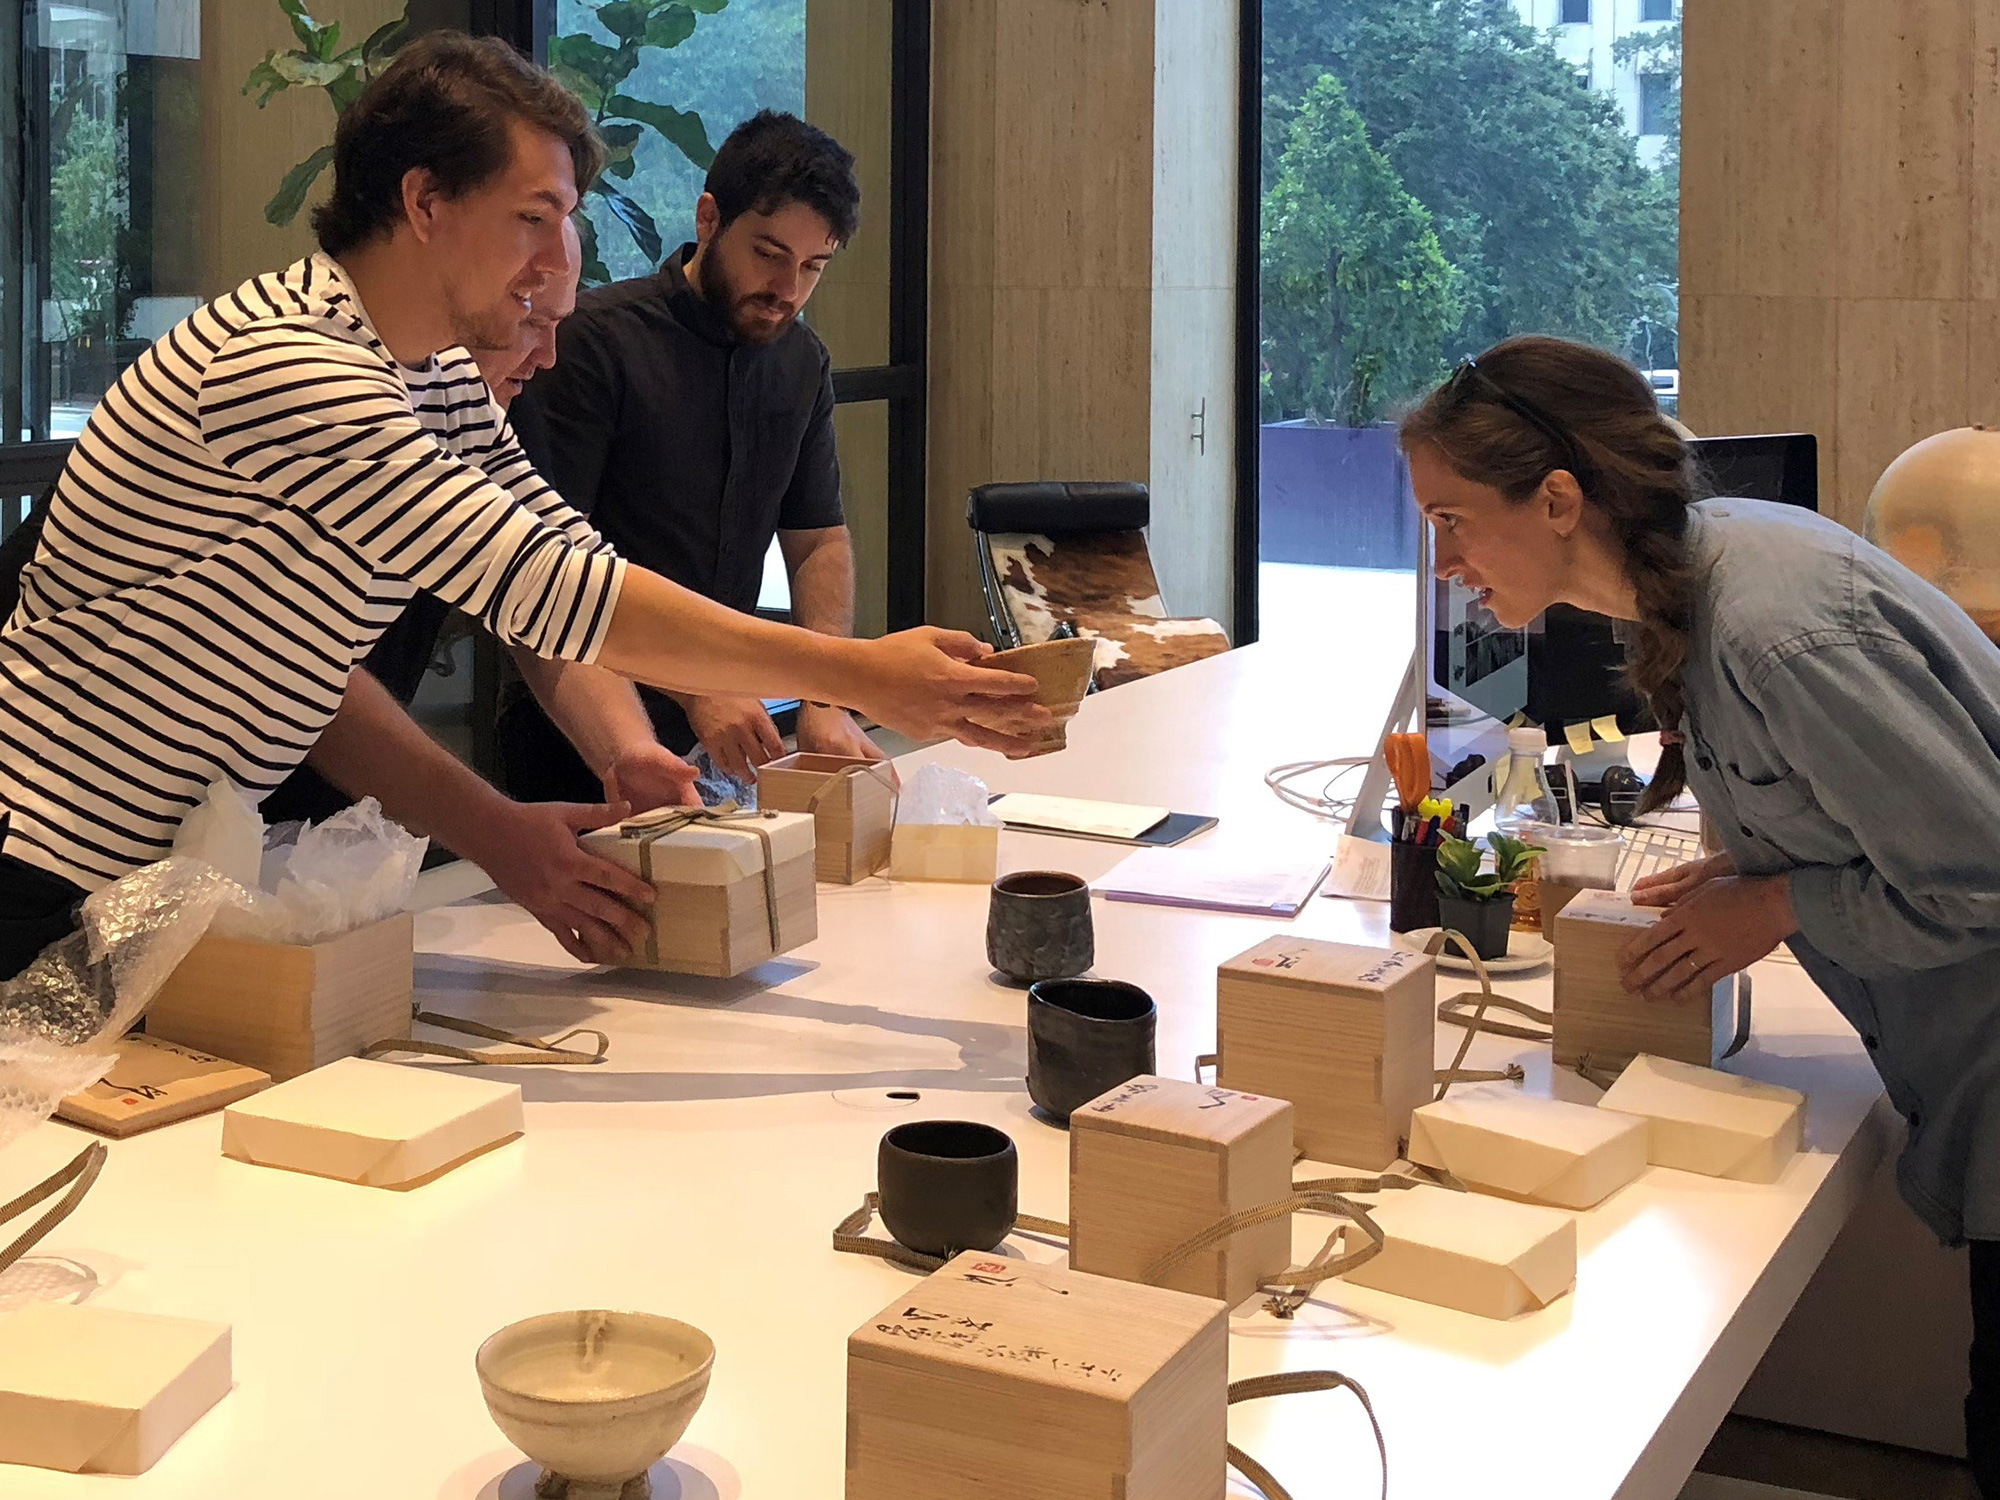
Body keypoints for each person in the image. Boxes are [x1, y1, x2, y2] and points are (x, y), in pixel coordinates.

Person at [0, 34, 1042, 981]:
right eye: (532, 220)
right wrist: (856, 674)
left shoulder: (431, 377)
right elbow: (549, 588)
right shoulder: (287, 363)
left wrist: (620, 747)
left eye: (566, 227)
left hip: (167, 875)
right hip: (39, 863)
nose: (555, 270)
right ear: (424, 203)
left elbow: (557, 553)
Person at [1399, 334, 2000, 1496]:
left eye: (1453, 520)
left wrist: (1773, 903)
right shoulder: (1708, 576)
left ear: (1559, 497)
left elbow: (1980, 873)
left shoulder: (1777, 627)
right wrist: (1749, 877)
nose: (1443, 562)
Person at [505, 109, 881, 796]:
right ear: (709, 217)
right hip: (578, 728)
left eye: (813, 266)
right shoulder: (592, 344)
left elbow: (817, 538)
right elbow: (548, 574)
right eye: (769, 254)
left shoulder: (800, 362)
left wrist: (826, 699)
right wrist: (694, 687)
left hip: (728, 731)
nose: (788, 289)